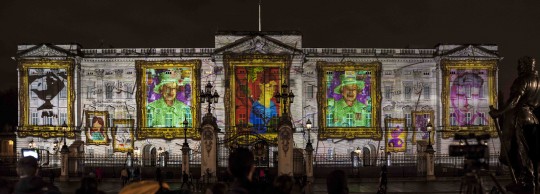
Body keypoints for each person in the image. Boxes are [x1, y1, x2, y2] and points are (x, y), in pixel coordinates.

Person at [490, 56, 540, 193]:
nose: (518, 68)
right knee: (533, 153)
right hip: (533, 118)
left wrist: (498, 113)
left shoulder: (523, 80)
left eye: (520, 65)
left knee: (520, 151)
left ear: (525, 65)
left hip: (520, 118)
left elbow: (514, 101)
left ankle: (525, 182)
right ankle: (533, 183)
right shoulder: (537, 81)